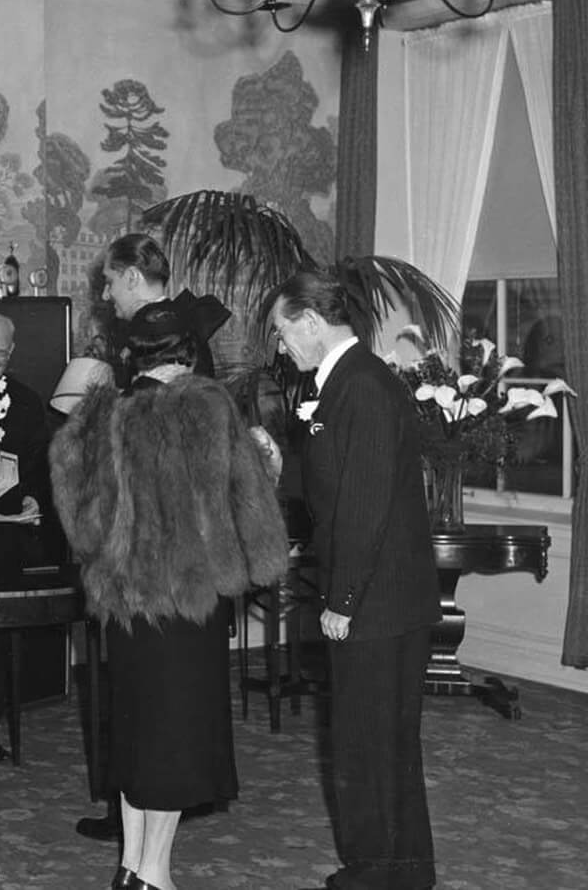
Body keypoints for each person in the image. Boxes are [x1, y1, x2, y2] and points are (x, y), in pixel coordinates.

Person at [50, 297, 288, 890]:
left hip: (124, 605)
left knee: (135, 733)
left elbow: (77, 517)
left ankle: (131, 864)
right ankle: (154, 874)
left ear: (135, 355)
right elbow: (249, 500)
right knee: (176, 741)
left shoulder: (107, 414)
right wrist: (262, 559)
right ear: (187, 352)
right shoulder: (209, 406)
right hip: (189, 601)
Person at [269, 271, 440, 890]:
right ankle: (400, 869)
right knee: (380, 740)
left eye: (284, 331)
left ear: (312, 322)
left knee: (372, 741)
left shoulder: (361, 386)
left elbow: (364, 505)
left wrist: (342, 602)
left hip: (377, 602)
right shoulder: (344, 382)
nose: (281, 345)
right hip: (382, 597)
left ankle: (383, 870)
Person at [77, 233, 232, 842]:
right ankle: (139, 829)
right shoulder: (191, 348)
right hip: (170, 565)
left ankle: (140, 827)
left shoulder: (158, 353)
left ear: (133, 278)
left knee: (150, 704)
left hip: (159, 565)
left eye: (111, 282)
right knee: (150, 702)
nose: (107, 295)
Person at [0, 314, 61, 761]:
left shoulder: (27, 404)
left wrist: (32, 501)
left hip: (5, 540)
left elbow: (36, 471)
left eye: (1, 353)